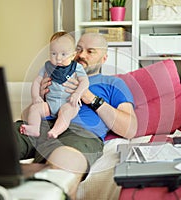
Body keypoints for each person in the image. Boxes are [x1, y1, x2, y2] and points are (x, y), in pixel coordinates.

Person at [16, 32, 138, 199]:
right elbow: (25, 115)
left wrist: (91, 98)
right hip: (39, 128)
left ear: (104, 58)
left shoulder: (113, 84)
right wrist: (40, 97)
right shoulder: (52, 73)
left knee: (61, 170)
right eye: (79, 49)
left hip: (78, 134)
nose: (81, 55)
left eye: (90, 51)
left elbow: (130, 128)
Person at [20, 31, 89, 138]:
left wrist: (77, 94)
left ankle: (55, 131)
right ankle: (34, 128)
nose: (58, 58)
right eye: (53, 53)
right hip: (50, 104)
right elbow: (37, 82)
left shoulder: (76, 68)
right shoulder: (47, 67)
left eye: (63, 54)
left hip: (68, 103)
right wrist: (36, 97)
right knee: (35, 109)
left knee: (66, 114)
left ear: (73, 55)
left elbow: (85, 81)